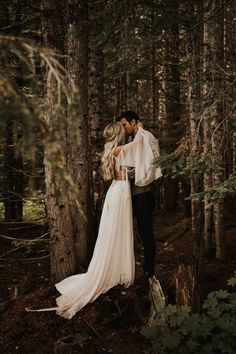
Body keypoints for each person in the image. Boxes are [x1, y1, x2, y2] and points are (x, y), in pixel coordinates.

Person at [26, 122, 135, 319]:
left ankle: (116, 267)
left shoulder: (112, 150)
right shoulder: (120, 148)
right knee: (118, 230)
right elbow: (139, 146)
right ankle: (117, 269)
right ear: (119, 135)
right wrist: (140, 130)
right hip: (120, 192)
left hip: (117, 190)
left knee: (115, 231)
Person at [118, 110, 162, 280]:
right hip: (130, 195)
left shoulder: (147, 138)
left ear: (134, 122)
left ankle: (149, 271)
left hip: (144, 194)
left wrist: (128, 174)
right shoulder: (132, 139)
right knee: (124, 229)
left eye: (125, 125)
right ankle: (126, 269)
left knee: (145, 232)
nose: (123, 128)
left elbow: (152, 165)